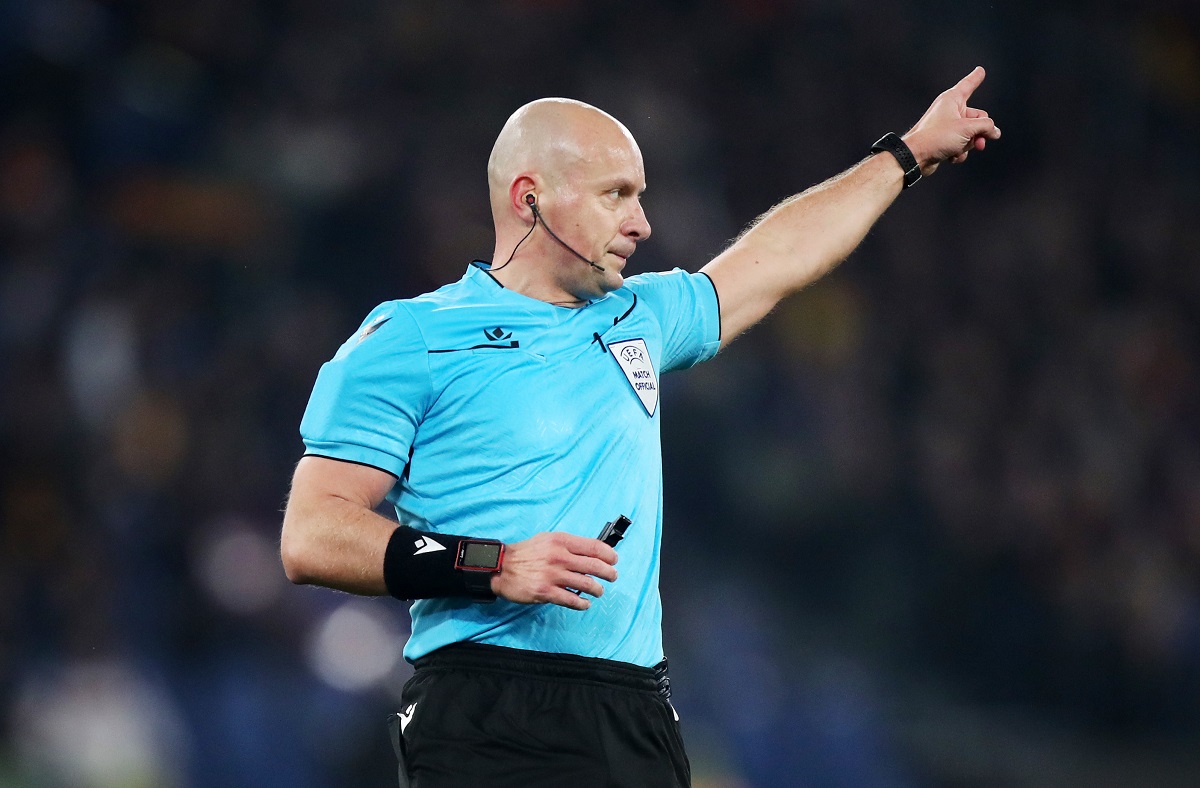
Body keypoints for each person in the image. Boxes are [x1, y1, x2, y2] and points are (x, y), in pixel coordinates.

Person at [280, 67, 1000, 787]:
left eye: (640, 196)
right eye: (616, 195)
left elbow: (781, 255)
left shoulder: (641, 317)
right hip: (485, 704)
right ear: (530, 199)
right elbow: (312, 535)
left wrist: (906, 155)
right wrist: (492, 565)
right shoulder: (412, 338)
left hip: (634, 712)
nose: (642, 223)